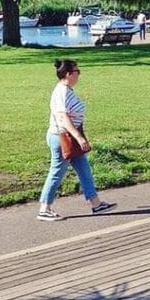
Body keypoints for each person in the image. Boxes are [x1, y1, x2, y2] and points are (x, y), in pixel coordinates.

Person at [37, 59, 115, 221]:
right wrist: (79, 137)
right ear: (68, 74)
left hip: (70, 136)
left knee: (84, 170)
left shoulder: (67, 90)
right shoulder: (61, 92)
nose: (79, 74)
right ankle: (44, 208)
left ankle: (96, 204)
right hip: (63, 138)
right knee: (57, 171)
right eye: (77, 71)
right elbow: (62, 117)